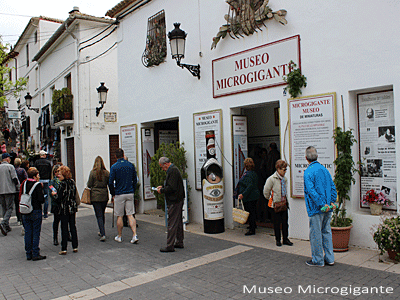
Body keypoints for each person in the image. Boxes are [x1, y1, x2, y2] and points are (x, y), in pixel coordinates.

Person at [304, 146, 337, 267]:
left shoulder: (308, 172)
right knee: (326, 232)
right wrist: (331, 202)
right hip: (328, 207)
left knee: (315, 234)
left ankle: (318, 260)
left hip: (316, 208)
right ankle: (330, 258)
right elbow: (333, 188)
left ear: (306, 158)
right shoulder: (325, 170)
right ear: (317, 156)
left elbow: (311, 192)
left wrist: (322, 204)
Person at [108, 148, 138, 244]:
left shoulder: (114, 167)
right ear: (123, 154)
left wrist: (113, 193)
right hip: (130, 192)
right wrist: (133, 189)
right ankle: (134, 235)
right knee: (130, 214)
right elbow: (135, 179)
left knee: (119, 216)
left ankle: (120, 236)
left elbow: (110, 182)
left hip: (119, 193)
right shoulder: (130, 165)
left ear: (115, 156)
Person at [156, 157, 185, 252]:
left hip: (174, 200)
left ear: (166, 164)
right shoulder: (174, 170)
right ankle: (179, 242)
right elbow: (172, 184)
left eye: (162, 167)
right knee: (178, 222)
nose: (162, 169)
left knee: (172, 223)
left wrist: (162, 190)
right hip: (178, 199)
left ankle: (170, 245)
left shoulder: (172, 171)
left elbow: (172, 187)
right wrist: (163, 186)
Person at [263, 159, 293, 247]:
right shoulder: (271, 179)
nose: (285, 171)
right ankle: (278, 239)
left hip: (284, 203)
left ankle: (285, 239)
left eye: (286, 169)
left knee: (285, 223)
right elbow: (266, 191)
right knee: (276, 223)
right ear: (278, 169)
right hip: (275, 205)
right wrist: (271, 199)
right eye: (284, 170)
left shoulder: (285, 179)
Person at [20, 167, 46, 261]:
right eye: (38, 175)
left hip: (25, 209)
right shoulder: (37, 185)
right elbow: (41, 199)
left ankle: (28, 253)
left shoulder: (24, 183)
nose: (39, 176)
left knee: (28, 232)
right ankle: (35, 252)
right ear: (35, 176)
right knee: (35, 232)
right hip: (35, 210)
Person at [52, 166, 79, 255]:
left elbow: (59, 198)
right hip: (72, 207)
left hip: (64, 208)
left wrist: (54, 195)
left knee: (64, 228)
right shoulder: (72, 182)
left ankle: (64, 248)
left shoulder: (62, 184)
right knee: (73, 227)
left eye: (59, 174)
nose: (58, 176)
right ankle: (75, 246)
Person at [87, 156, 110, 242]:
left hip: (95, 196)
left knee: (99, 215)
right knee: (102, 213)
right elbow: (109, 183)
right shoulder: (106, 173)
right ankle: (102, 230)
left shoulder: (92, 173)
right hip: (104, 195)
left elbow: (89, 184)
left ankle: (102, 232)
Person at [237, 158, 259, 236]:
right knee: (252, 211)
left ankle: (252, 229)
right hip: (254, 196)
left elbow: (249, 186)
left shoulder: (248, 175)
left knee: (250, 212)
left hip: (249, 197)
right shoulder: (253, 173)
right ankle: (253, 225)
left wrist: (243, 194)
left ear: (246, 166)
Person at [0, 153, 20, 235]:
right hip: (9, 190)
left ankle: (6, 226)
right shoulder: (10, 167)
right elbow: (14, 178)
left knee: (4, 207)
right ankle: (4, 222)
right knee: (10, 208)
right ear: (7, 159)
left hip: (1, 191)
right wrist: (18, 187)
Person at [34, 150, 52, 219]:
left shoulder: (37, 162)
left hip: (39, 180)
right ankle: (45, 213)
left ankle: (40, 212)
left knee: (39, 196)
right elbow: (50, 171)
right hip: (47, 180)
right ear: (44, 155)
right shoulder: (48, 162)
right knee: (46, 196)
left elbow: (35, 171)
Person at [49, 163, 62, 246]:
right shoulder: (52, 181)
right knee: (56, 221)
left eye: (59, 171)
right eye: (56, 172)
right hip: (56, 203)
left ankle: (67, 235)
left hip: (62, 203)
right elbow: (52, 192)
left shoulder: (63, 180)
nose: (58, 173)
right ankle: (55, 237)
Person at [14, 158, 27, 225]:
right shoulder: (22, 170)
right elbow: (25, 178)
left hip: (14, 189)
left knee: (16, 204)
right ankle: (22, 217)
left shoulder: (13, 170)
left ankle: (18, 218)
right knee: (22, 203)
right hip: (21, 188)